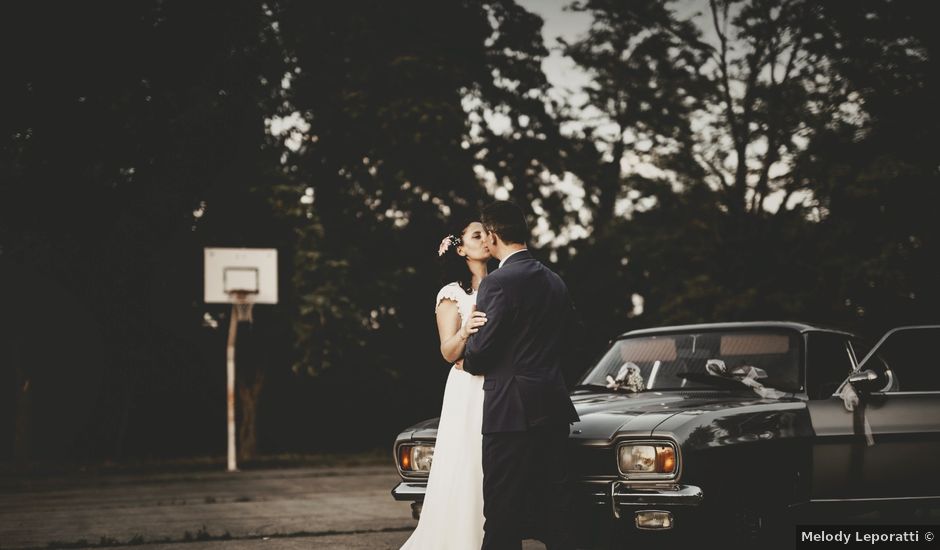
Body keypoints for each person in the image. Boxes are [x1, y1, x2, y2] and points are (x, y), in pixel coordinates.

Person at [460, 201, 580, 550]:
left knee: (502, 515)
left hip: (510, 415)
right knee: (558, 513)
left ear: (493, 235)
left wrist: (467, 355)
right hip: (553, 407)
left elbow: (481, 353)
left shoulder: (497, 283)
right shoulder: (555, 281)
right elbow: (575, 343)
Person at [400, 215, 491, 550]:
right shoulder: (452, 294)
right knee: (466, 463)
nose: (484, 239)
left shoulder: (502, 285)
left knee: (490, 466)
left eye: (487, 234)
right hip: (467, 388)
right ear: (460, 249)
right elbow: (447, 351)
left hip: (497, 385)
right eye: (476, 235)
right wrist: (465, 332)